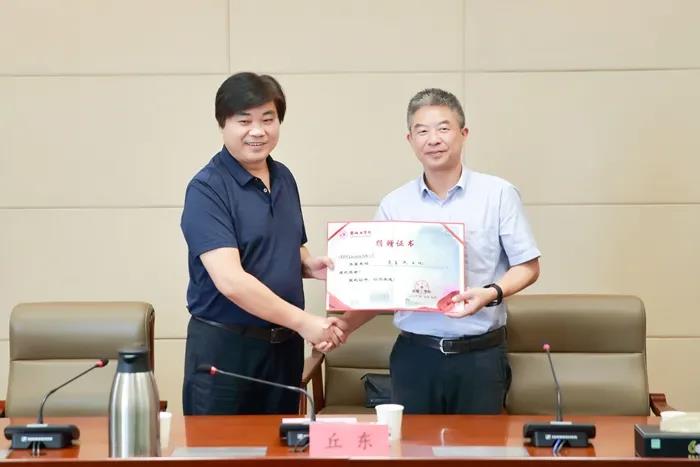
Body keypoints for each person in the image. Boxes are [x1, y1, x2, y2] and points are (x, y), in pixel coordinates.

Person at [320, 88, 540, 414]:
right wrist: (344, 325)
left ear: (463, 133)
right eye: (422, 131)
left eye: (443, 128)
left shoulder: (498, 194)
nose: (433, 139)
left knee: (480, 445)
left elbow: (528, 266)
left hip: (480, 356)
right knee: (412, 444)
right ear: (410, 140)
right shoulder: (395, 204)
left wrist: (489, 293)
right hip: (415, 356)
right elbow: (381, 285)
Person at [180, 72, 343, 415]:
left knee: (281, 443)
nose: (258, 131)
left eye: (268, 120)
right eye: (245, 121)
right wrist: (304, 322)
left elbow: (285, 243)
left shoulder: (283, 177)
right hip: (226, 352)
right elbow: (231, 281)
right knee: (221, 447)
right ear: (222, 124)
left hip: (284, 350)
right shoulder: (207, 189)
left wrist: (306, 263)